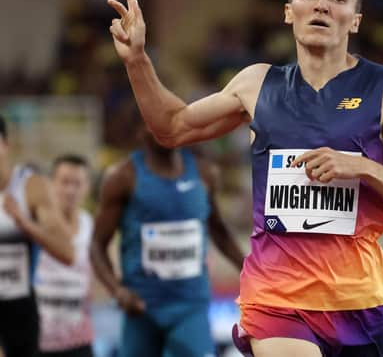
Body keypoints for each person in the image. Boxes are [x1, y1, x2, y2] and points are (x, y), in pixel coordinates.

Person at [107, 0, 383, 357]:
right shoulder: (257, 85)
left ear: (354, 19)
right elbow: (172, 127)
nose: (322, 5)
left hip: (359, 303)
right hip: (275, 299)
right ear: (289, 11)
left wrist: (362, 167)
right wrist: (138, 61)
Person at [90, 122, 245, 357]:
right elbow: (96, 245)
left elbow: (219, 232)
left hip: (190, 305)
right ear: (141, 130)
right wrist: (117, 291)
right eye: (158, 121)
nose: (167, 127)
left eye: (172, 120)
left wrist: (251, 273)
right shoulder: (122, 177)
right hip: (141, 307)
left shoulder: (205, 174)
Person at [0, 115, 74, 357]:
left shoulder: (30, 188)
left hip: (19, 311)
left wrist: (23, 223)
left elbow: (67, 252)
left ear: (6, 145)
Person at [35, 154, 95, 357]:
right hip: (38, 340)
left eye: (77, 183)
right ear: (52, 184)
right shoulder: (34, 224)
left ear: (87, 187)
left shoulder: (91, 226)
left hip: (78, 339)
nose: (70, 190)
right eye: (65, 182)